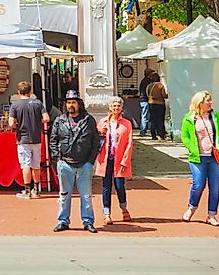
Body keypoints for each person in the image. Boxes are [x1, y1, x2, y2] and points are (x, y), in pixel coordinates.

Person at [50, 89, 100, 233]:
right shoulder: (60, 120)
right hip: (65, 163)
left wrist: (91, 161)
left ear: (79, 104)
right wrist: (57, 158)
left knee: (86, 195)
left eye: (73, 102)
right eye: (68, 102)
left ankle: (88, 221)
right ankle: (63, 221)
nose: (70, 105)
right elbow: (53, 140)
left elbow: (96, 142)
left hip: (85, 164)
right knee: (64, 195)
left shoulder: (88, 120)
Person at [180, 91, 219, 226]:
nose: (210, 102)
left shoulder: (216, 117)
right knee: (198, 184)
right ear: (199, 102)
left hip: (214, 157)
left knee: (215, 186)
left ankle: (212, 215)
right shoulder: (189, 118)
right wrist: (191, 147)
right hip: (198, 157)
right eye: (208, 100)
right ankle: (192, 208)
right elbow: (184, 136)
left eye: (210, 100)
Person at [95, 97, 134, 225]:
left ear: (122, 107)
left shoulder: (126, 124)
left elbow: (129, 143)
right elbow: (95, 139)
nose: (116, 108)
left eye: (118, 105)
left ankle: (124, 208)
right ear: (110, 107)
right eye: (114, 105)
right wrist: (101, 132)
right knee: (106, 186)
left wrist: (125, 160)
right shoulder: (103, 122)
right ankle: (107, 213)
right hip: (106, 159)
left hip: (119, 159)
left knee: (119, 186)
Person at [9, 80, 49, 199]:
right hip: (36, 138)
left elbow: (11, 123)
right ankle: (36, 190)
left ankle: (27, 191)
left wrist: (17, 125)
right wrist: (37, 122)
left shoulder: (15, 105)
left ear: (18, 92)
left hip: (23, 139)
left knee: (25, 164)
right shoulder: (38, 103)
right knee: (36, 165)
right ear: (30, 92)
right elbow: (46, 118)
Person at [148, 73, 168, 140]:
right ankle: (161, 134)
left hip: (151, 103)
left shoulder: (149, 86)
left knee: (153, 119)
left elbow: (147, 94)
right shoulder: (160, 85)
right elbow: (164, 95)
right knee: (160, 119)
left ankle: (153, 134)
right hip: (160, 104)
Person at [138, 67, 154, 137]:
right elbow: (148, 92)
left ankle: (143, 130)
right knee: (145, 116)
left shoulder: (143, 81)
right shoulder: (148, 81)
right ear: (149, 74)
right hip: (145, 100)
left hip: (142, 99)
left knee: (144, 115)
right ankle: (143, 131)